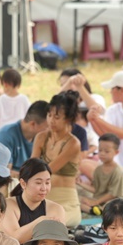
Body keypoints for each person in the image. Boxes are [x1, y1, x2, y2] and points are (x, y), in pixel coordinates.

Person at [32, 92, 82, 228]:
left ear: (68, 119)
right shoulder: (41, 137)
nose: (51, 120)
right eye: (49, 115)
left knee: (47, 225)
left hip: (66, 202)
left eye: (57, 117)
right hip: (41, 199)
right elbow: (32, 168)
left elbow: (46, 170)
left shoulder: (73, 143)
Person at [0, 159, 66, 245]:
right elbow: (14, 240)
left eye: (47, 182)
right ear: (23, 183)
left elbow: (59, 242)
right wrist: (41, 221)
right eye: (38, 183)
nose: (44, 188)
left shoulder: (56, 209)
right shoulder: (8, 205)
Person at [78, 133, 123, 215]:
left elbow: (112, 194)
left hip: (114, 201)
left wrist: (96, 201)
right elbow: (96, 189)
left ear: (116, 152)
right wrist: (81, 184)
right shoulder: (98, 169)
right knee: (79, 200)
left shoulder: (117, 171)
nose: (102, 153)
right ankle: (93, 210)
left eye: (107, 151)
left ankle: (97, 209)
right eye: (100, 150)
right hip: (99, 200)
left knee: (114, 205)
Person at [0, 100, 49, 173]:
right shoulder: (5, 135)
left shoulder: (44, 138)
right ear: (33, 124)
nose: (51, 131)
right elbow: (3, 173)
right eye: (47, 127)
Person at [0, 69, 30, 137]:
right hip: (19, 134)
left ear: (4, 84)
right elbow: (30, 115)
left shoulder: (1, 99)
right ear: (19, 85)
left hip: (3, 133)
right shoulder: (24, 99)